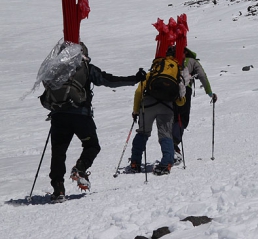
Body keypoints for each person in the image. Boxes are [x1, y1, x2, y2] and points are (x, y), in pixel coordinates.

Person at [48, 42, 145, 202]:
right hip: (81, 115)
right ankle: (80, 168)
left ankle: (58, 189)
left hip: (59, 116)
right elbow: (108, 80)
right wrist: (134, 79)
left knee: (58, 153)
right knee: (92, 145)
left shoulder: (56, 70)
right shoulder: (86, 67)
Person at [129, 46, 183, 176]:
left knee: (143, 132)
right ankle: (166, 163)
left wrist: (136, 110)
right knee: (165, 135)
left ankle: (135, 162)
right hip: (167, 107)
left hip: (147, 105)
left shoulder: (155, 70)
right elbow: (181, 101)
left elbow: (138, 91)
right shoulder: (177, 74)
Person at [172, 47, 217, 164]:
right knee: (183, 118)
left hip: (169, 91)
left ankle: (169, 146)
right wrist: (209, 92)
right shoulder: (192, 62)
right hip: (185, 90)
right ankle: (174, 144)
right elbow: (202, 75)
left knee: (172, 117)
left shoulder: (170, 60)